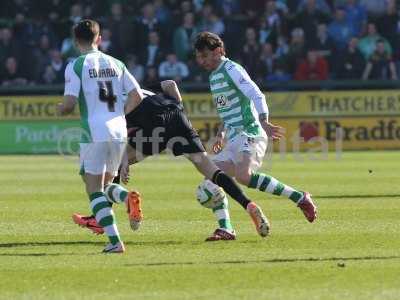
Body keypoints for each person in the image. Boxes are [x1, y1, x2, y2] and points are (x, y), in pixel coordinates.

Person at [73, 79, 271, 241]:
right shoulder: (139, 86)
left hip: (152, 125)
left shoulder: (108, 106)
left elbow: (120, 135)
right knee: (209, 169)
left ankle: (109, 212)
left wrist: (123, 161)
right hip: (177, 116)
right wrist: (179, 108)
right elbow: (170, 84)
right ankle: (249, 205)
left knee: (109, 166)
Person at [193, 31, 317, 229]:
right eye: (199, 57)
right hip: (233, 138)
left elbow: (257, 94)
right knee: (211, 179)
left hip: (250, 132)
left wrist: (265, 122)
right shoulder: (214, 76)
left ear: (218, 51)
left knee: (244, 176)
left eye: (205, 56)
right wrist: (220, 134)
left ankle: (299, 197)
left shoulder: (232, 69)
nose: (201, 61)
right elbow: (226, 110)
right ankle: (226, 228)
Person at [57, 19, 144, 253]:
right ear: (99, 39)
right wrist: (119, 116)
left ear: (76, 42)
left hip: (93, 131)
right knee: (106, 185)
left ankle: (115, 241)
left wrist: (60, 109)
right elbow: (137, 96)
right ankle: (125, 198)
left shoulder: (76, 65)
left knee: (93, 188)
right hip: (118, 130)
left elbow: (69, 104)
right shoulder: (117, 63)